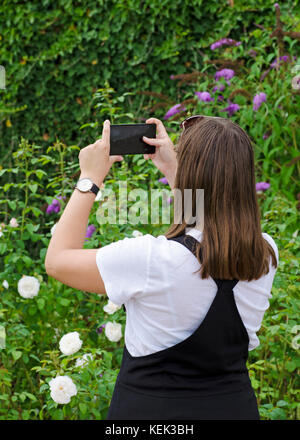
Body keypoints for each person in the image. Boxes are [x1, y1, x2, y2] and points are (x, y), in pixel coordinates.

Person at [45, 116, 278, 420]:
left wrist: (90, 177)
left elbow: (58, 260)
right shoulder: (264, 252)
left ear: (193, 174)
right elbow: (209, 229)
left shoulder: (152, 261)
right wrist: (173, 169)